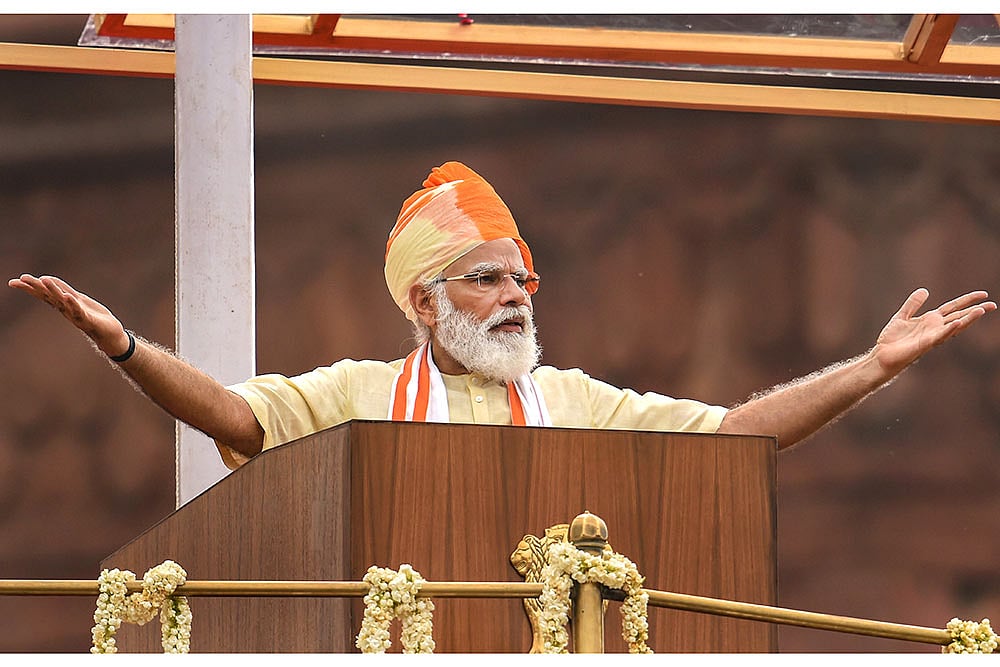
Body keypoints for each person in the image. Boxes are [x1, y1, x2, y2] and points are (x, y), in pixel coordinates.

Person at [8, 161, 996, 470]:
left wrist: (872, 368)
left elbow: (733, 436)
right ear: (424, 302)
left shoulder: (573, 400)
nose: (517, 297)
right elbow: (234, 417)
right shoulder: (355, 394)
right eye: (488, 280)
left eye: (524, 281)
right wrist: (125, 347)